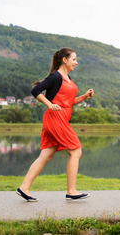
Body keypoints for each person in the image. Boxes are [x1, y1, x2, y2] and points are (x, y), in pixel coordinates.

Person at [16, 48, 94, 202]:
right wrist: (49, 104)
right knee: (76, 150)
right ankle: (71, 191)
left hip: (60, 118)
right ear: (64, 60)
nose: (76, 62)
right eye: (73, 59)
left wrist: (84, 97)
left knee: (46, 154)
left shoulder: (68, 78)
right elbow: (36, 90)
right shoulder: (56, 77)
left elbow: (68, 103)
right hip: (55, 118)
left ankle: (23, 188)